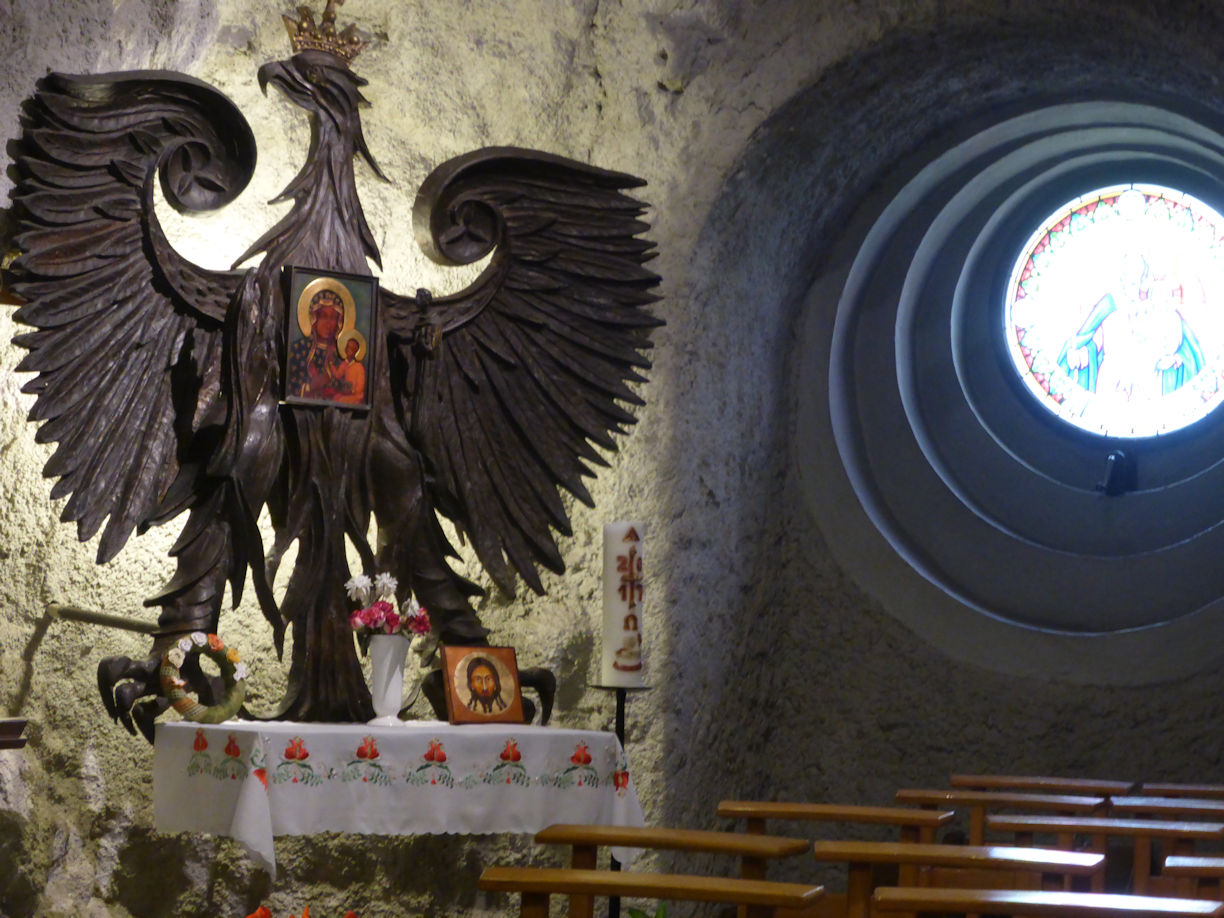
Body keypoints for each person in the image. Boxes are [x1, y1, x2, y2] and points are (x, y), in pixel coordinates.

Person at [287, 288, 345, 400]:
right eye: (323, 316)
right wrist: (310, 386)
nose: (328, 324)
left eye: (332, 318)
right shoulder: (299, 348)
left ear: (338, 322)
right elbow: (289, 387)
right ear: (314, 318)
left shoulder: (341, 353)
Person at [329, 329, 367, 405]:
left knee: (340, 400)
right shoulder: (344, 363)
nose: (348, 350)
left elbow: (360, 386)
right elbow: (338, 375)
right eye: (347, 347)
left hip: (356, 396)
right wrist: (331, 365)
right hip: (346, 393)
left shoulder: (359, 367)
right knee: (335, 398)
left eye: (351, 349)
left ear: (355, 351)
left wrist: (351, 390)